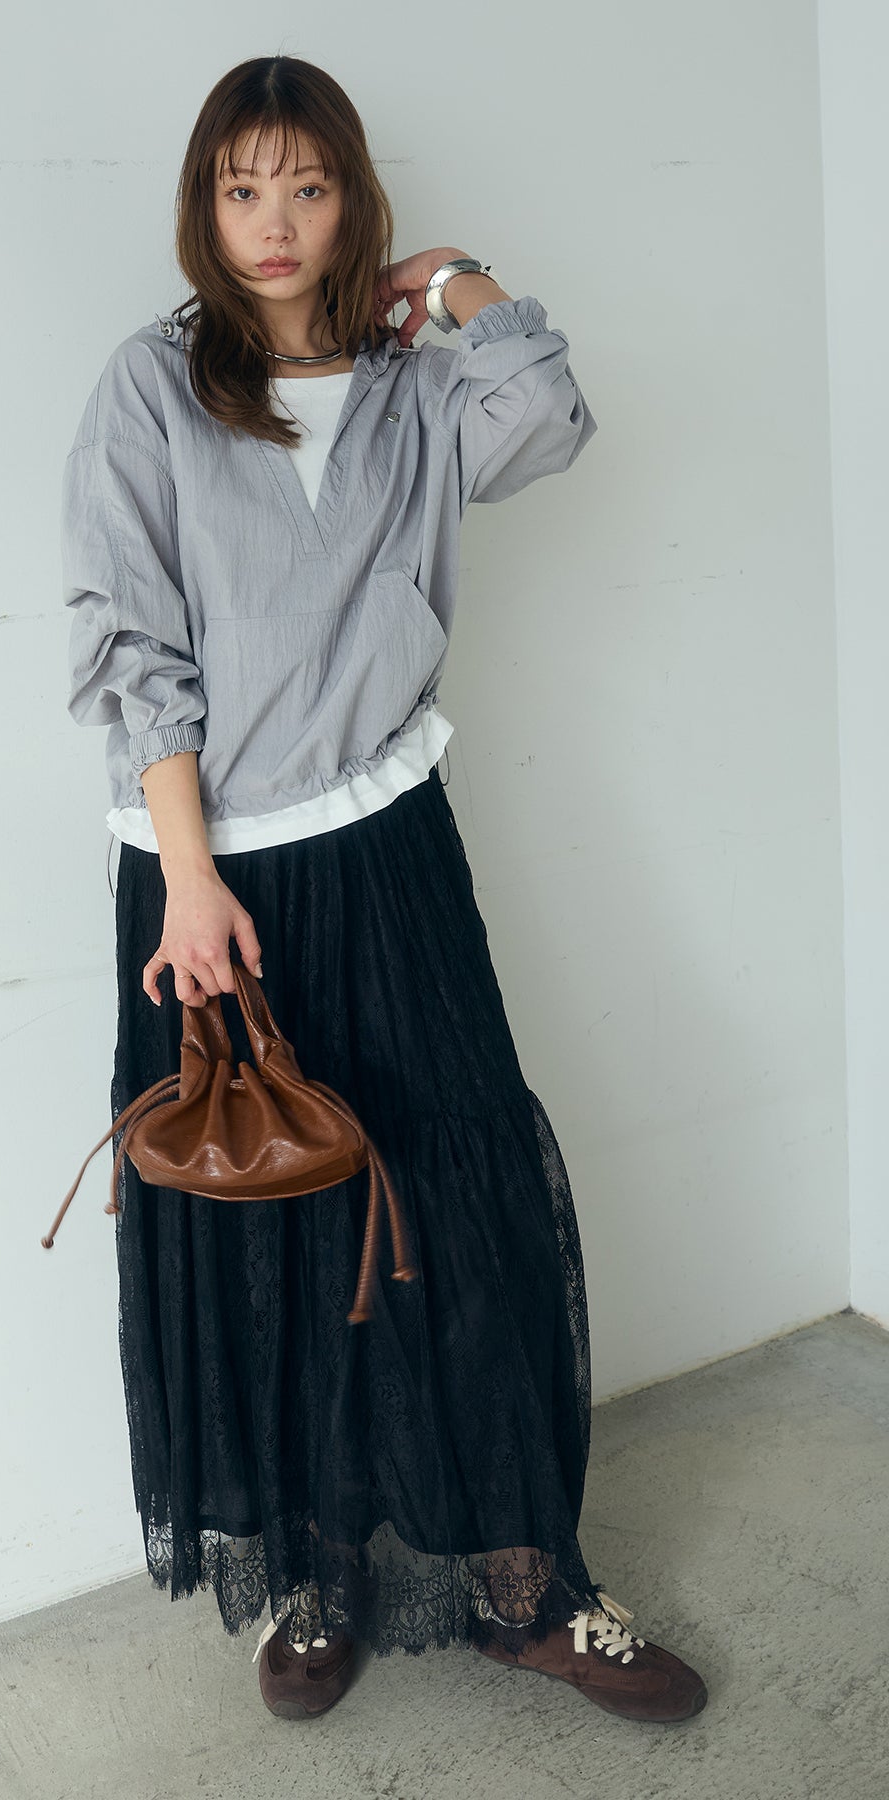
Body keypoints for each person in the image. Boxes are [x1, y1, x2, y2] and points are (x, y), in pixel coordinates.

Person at [58, 54, 708, 1725]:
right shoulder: (151, 386)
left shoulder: (418, 383)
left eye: (308, 184)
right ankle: (317, 1573)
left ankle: (525, 1588)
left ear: (354, 197)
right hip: (206, 881)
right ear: (204, 208)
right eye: (241, 188)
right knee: (270, 1230)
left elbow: (550, 421)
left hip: (387, 842)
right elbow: (130, 641)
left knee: (457, 1204)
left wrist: (460, 280)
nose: (273, 221)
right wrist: (188, 883)